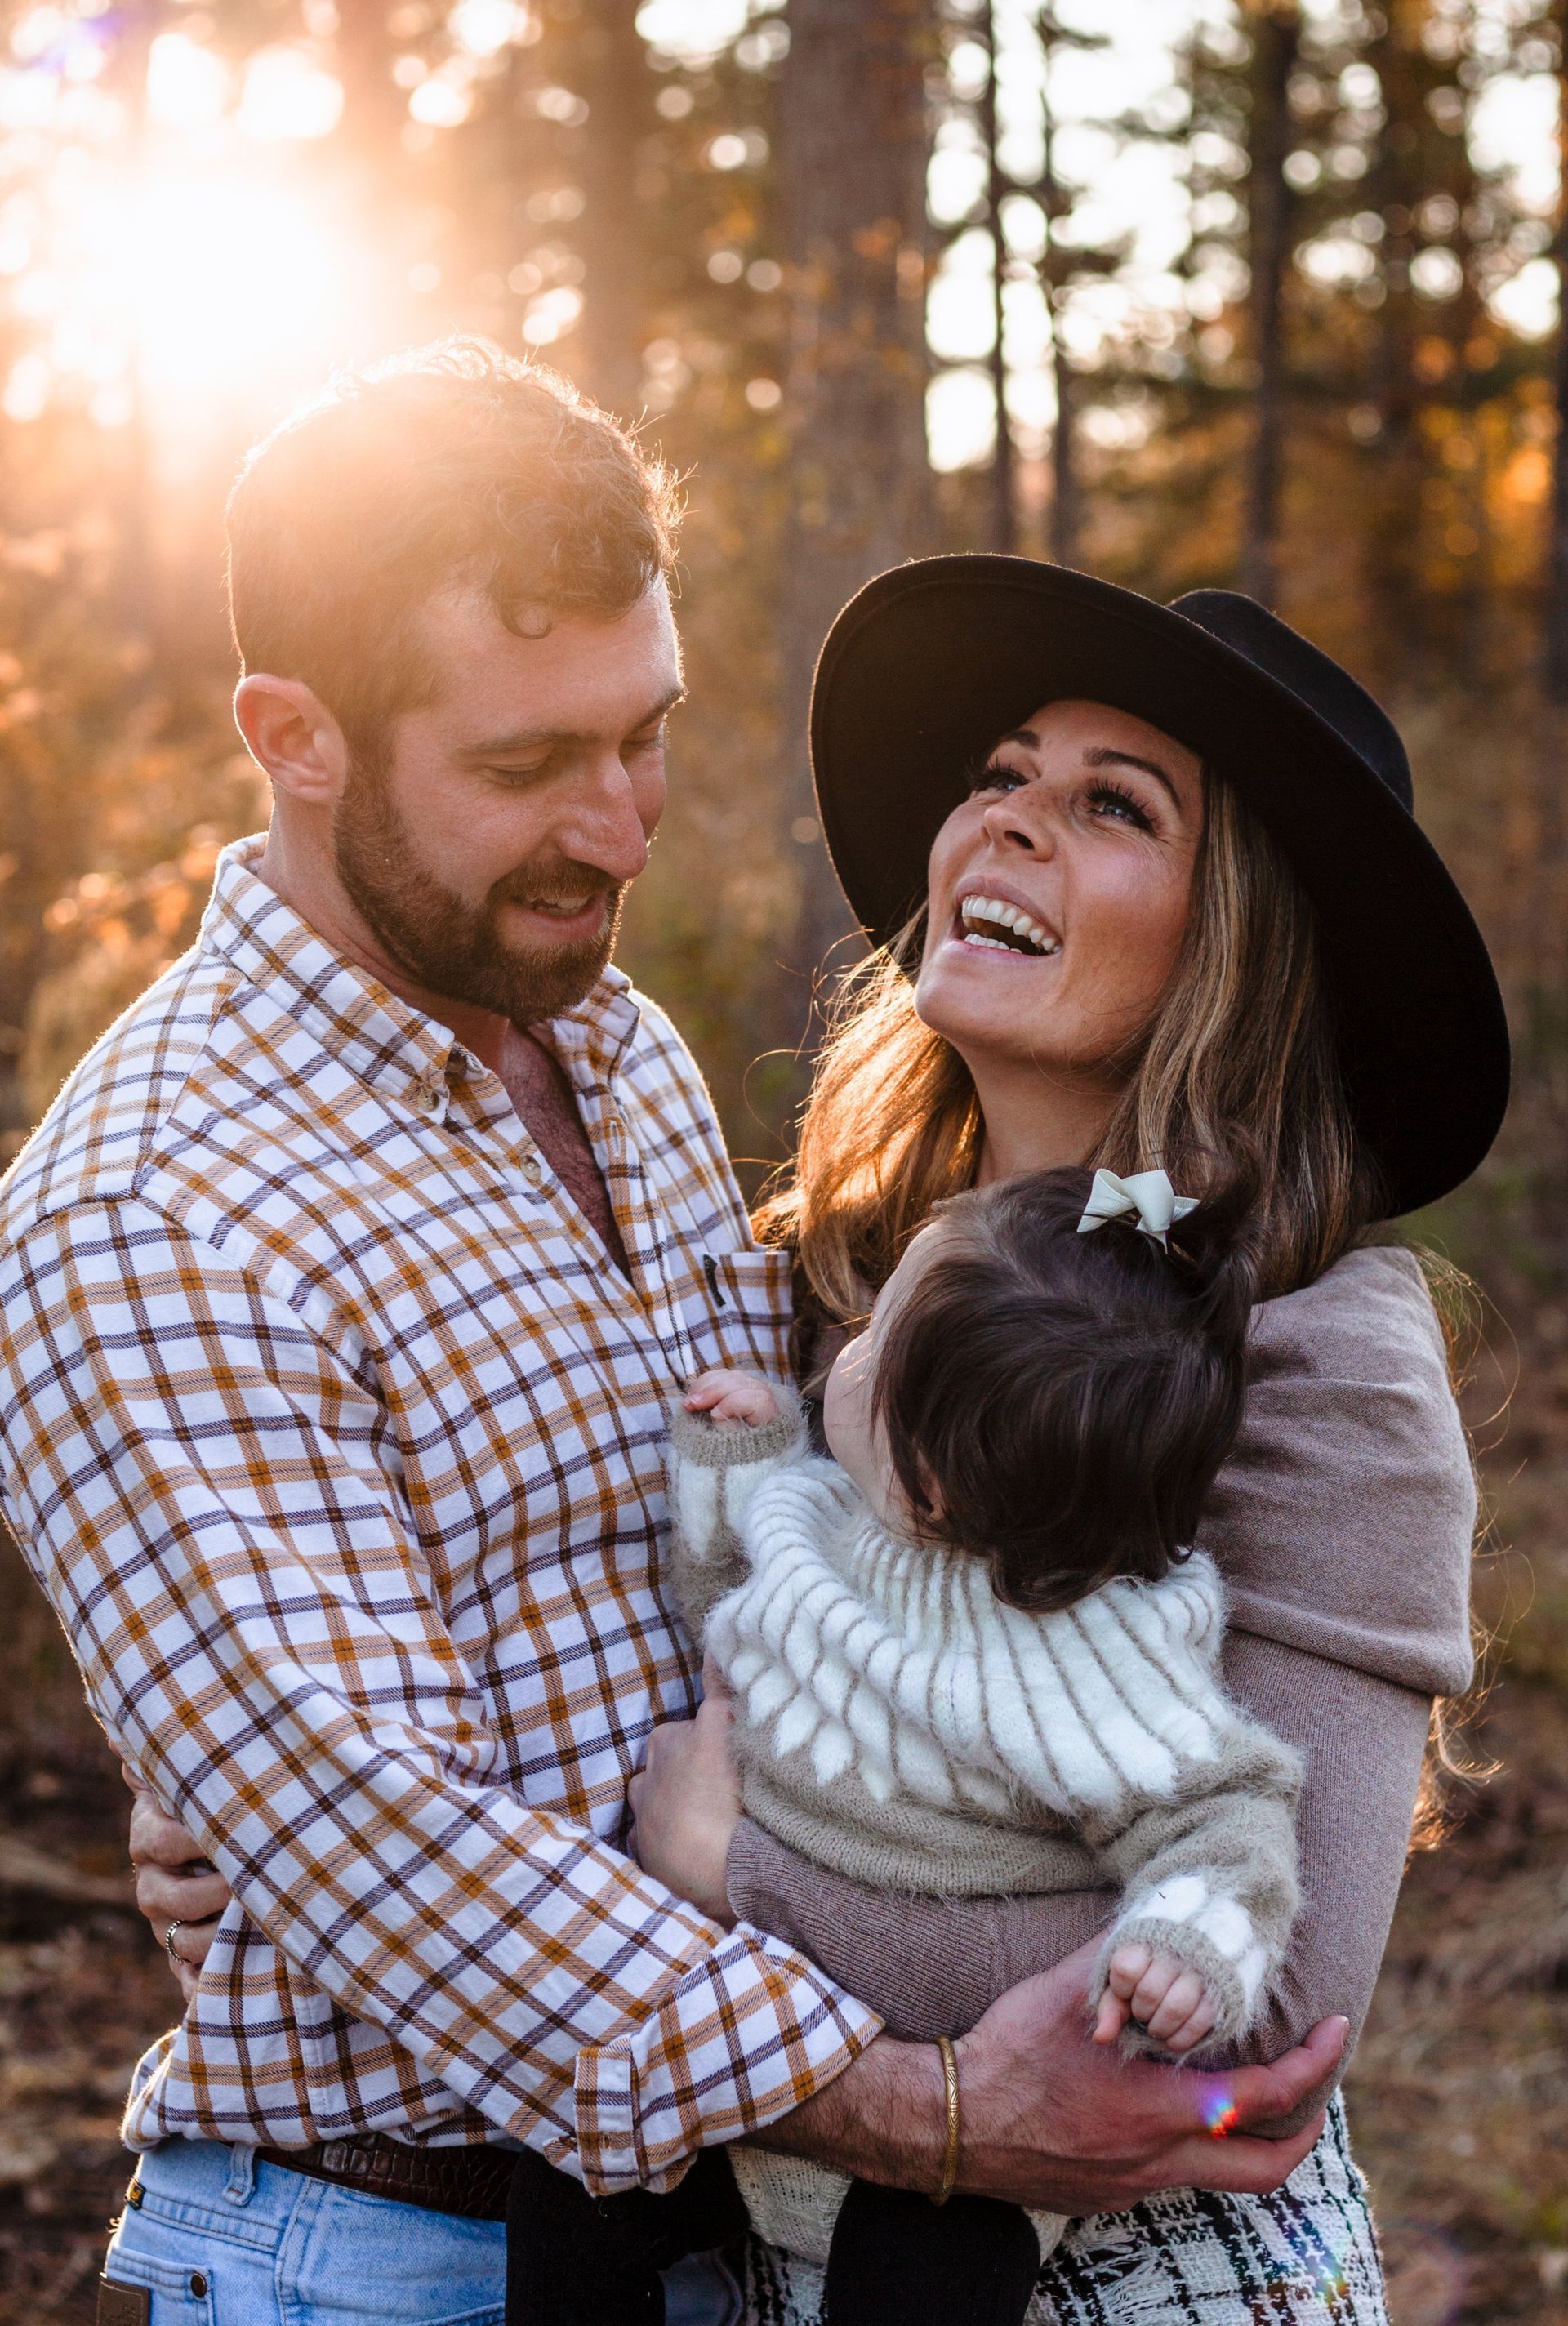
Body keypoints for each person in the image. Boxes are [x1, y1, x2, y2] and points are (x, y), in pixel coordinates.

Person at [0, 354, 1343, 2326]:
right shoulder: (159, 1205)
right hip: (411, 2252)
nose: (620, 832)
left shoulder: (605, 1040)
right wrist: (936, 2110)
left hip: (728, 2233)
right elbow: (395, 1844)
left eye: (647, 738)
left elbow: (786, 1535)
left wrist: (238, 1777)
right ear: (293, 736)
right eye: (531, 764)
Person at [626, 556, 1507, 2325]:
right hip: (776, 2262)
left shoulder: (1320, 1348)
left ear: (1237, 941)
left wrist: (733, 1877)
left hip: (1139, 2283)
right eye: (1002, 774)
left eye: (1114, 806)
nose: (1012, 822)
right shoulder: (832, 1267)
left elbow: (1259, 2013)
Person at [509, 1160, 1307, 2326]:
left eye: (876, 1337)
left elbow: (1227, 1814)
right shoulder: (829, 1516)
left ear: (925, 1481)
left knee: (934, 2271)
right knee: (576, 2179)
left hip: (958, 2118)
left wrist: (1186, 1947)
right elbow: (732, 1602)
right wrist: (741, 1461)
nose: (848, 1339)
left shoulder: (1096, 1655)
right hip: (757, 2065)